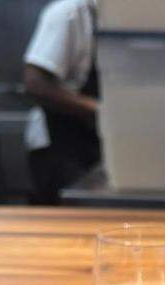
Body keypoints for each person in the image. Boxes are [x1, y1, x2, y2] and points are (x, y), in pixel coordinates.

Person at [23, 0, 100, 205]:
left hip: (89, 141)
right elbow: (35, 83)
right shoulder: (67, 13)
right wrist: (98, 109)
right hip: (55, 143)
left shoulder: (115, 21)